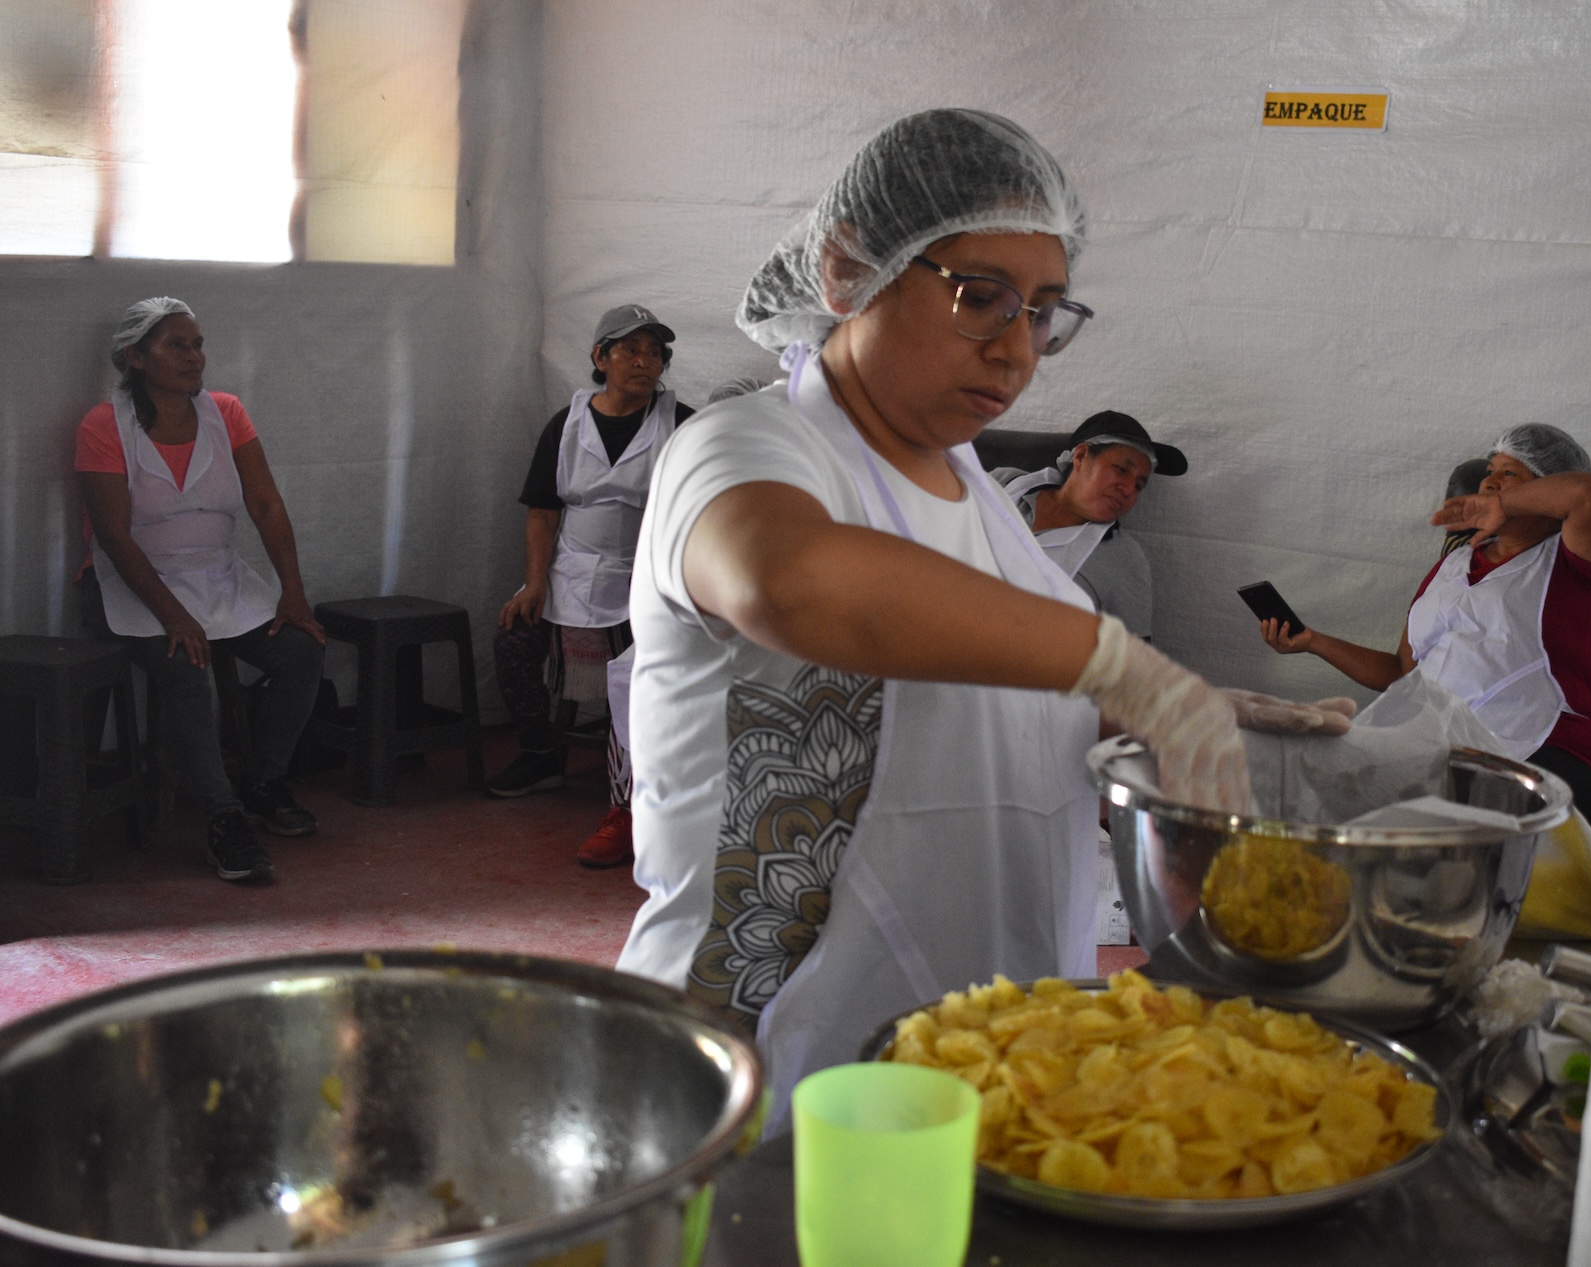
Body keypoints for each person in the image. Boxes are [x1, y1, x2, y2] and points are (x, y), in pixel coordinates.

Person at [612, 108, 1351, 1123]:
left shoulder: (977, 495)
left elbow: (979, 703)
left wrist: (1157, 713)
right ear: (846, 272)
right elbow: (790, 580)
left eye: (1044, 310)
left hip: (993, 1057)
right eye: (979, 297)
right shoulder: (751, 449)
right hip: (776, 1082)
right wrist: (1126, 668)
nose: (1016, 352)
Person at [74, 297, 326, 882]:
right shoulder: (103, 424)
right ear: (136, 357)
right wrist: (175, 616)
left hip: (218, 573)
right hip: (132, 582)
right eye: (176, 346)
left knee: (301, 649)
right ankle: (222, 818)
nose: (194, 357)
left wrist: (292, 591)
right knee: (187, 668)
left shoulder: (226, 412)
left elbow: (265, 504)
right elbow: (111, 535)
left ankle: (265, 783)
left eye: (197, 344)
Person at [1260, 423, 1591, 820]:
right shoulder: (1452, 567)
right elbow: (1404, 674)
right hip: (1441, 745)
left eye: (1510, 473)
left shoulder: (1575, 562)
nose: (1490, 483)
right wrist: (1313, 641)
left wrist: (1505, 504)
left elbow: (1587, 493)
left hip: (1545, 749)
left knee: (1417, 817)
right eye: (1489, 472)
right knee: (1297, 783)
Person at [488, 305, 694, 869]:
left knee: (640, 676)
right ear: (600, 359)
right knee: (514, 640)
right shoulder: (567, 423)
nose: (643, 362)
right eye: (629, 350)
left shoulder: (680, 423)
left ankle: (632, 795)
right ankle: (539, 754)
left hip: (645, 578)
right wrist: (533, 584)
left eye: (654, 352)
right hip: (569, 574)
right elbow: (542, 513)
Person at [990, 410, 1186, 637]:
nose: (1128, 489)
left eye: (1139, 485)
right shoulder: (1004, 483)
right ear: (1081, 456)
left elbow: (1129, 659)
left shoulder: (1122, 558)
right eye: (1121, 470)